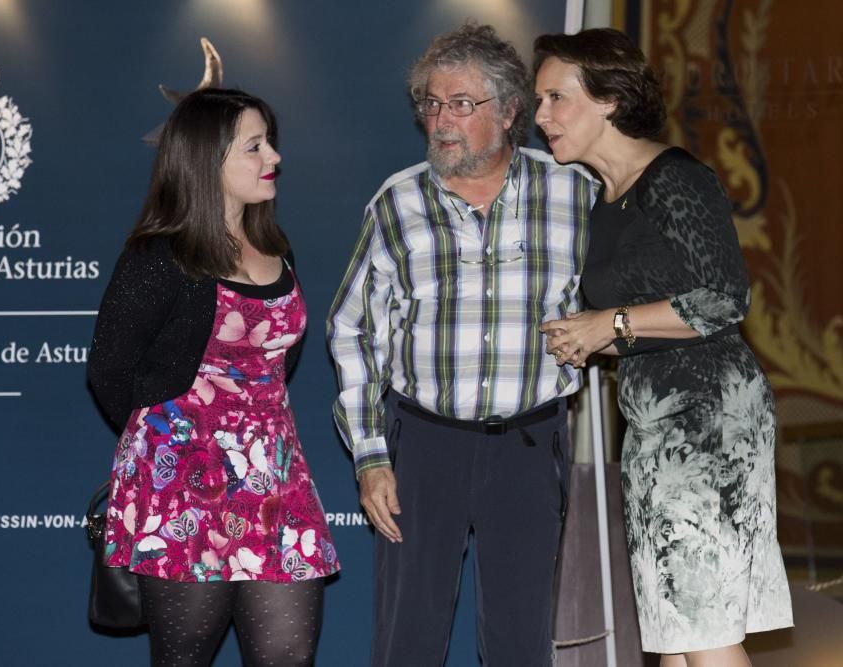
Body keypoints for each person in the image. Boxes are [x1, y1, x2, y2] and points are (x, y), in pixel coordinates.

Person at [327, 23, 596, 666]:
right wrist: (369, 456)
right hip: (422, 446)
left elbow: (619, 305)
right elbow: (352, 329)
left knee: (520, 644)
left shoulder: (576, 194)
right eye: (432, 103)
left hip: (531, 446)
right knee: (407, 641)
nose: (440, 120)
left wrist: (603, 332)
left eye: (461, 104)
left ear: (508, 113)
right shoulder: (397, 202)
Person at [534, 28, 793, 666]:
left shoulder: (675, 179)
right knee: (678, 634)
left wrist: (609, 324)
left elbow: (726, 299)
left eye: (555, 98)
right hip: (653, 426)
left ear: (609, 100)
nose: (541, 117)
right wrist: (592, 336)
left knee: (703, 629)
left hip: (710, 422)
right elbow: (655, 322)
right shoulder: (606, 203)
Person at [88, 88, 340, 667]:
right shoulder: (161, 255)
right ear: (208, 161)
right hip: (183, 486)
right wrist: (165, 438)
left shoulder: (278, 250)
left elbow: (278, 363)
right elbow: (109, 367)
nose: (273, 157)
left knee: (288, 654)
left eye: (269, 142)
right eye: (254, 147)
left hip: (275, 481)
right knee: (184, 659)